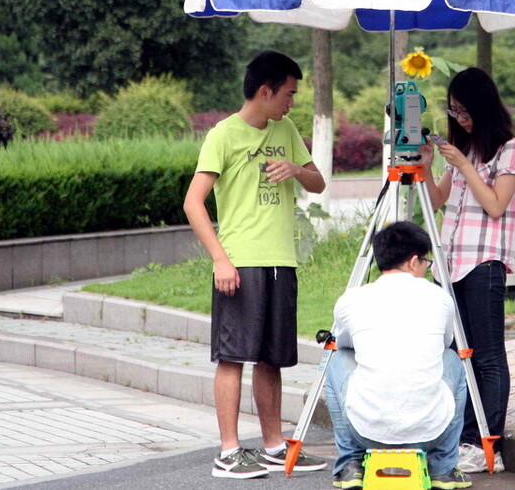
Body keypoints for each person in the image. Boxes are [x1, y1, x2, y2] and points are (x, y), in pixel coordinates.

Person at [183, 50, 328, 479]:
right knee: (232, 357)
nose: (292, 102)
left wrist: (296, 170)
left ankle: (273, 446)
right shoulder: (223, 135)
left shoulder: (286, 129)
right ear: (265, 91)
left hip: (282, 260)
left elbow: (318, 182)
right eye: (288, 94)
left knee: (272, 359)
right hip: (240, 263)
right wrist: (221, 260)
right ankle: (228, 453)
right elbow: (193, 203)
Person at [420, 67, 515, 473]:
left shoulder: (509, 150)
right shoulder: (466, 152)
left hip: (483, 263)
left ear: (482, 107)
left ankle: (487, 444)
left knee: (486, 356)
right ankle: (460, 436)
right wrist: (430, 165)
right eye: (454, 112)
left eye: (465, 112)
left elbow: (496, 204)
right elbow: (435, 200)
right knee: (455, 355)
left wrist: (464, 165)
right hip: (450, 264)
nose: (460, 119)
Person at [325, 221, 472, 490]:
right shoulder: (439, 297)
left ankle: (350, 465)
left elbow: (343, 342)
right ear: (413, 261)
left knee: (335, 357)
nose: (427, 268)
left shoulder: (351, 299)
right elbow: (446, 343)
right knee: (453, 359)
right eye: (426, 262)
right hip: (430, 433)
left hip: (366, 432)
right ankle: (443, 468)